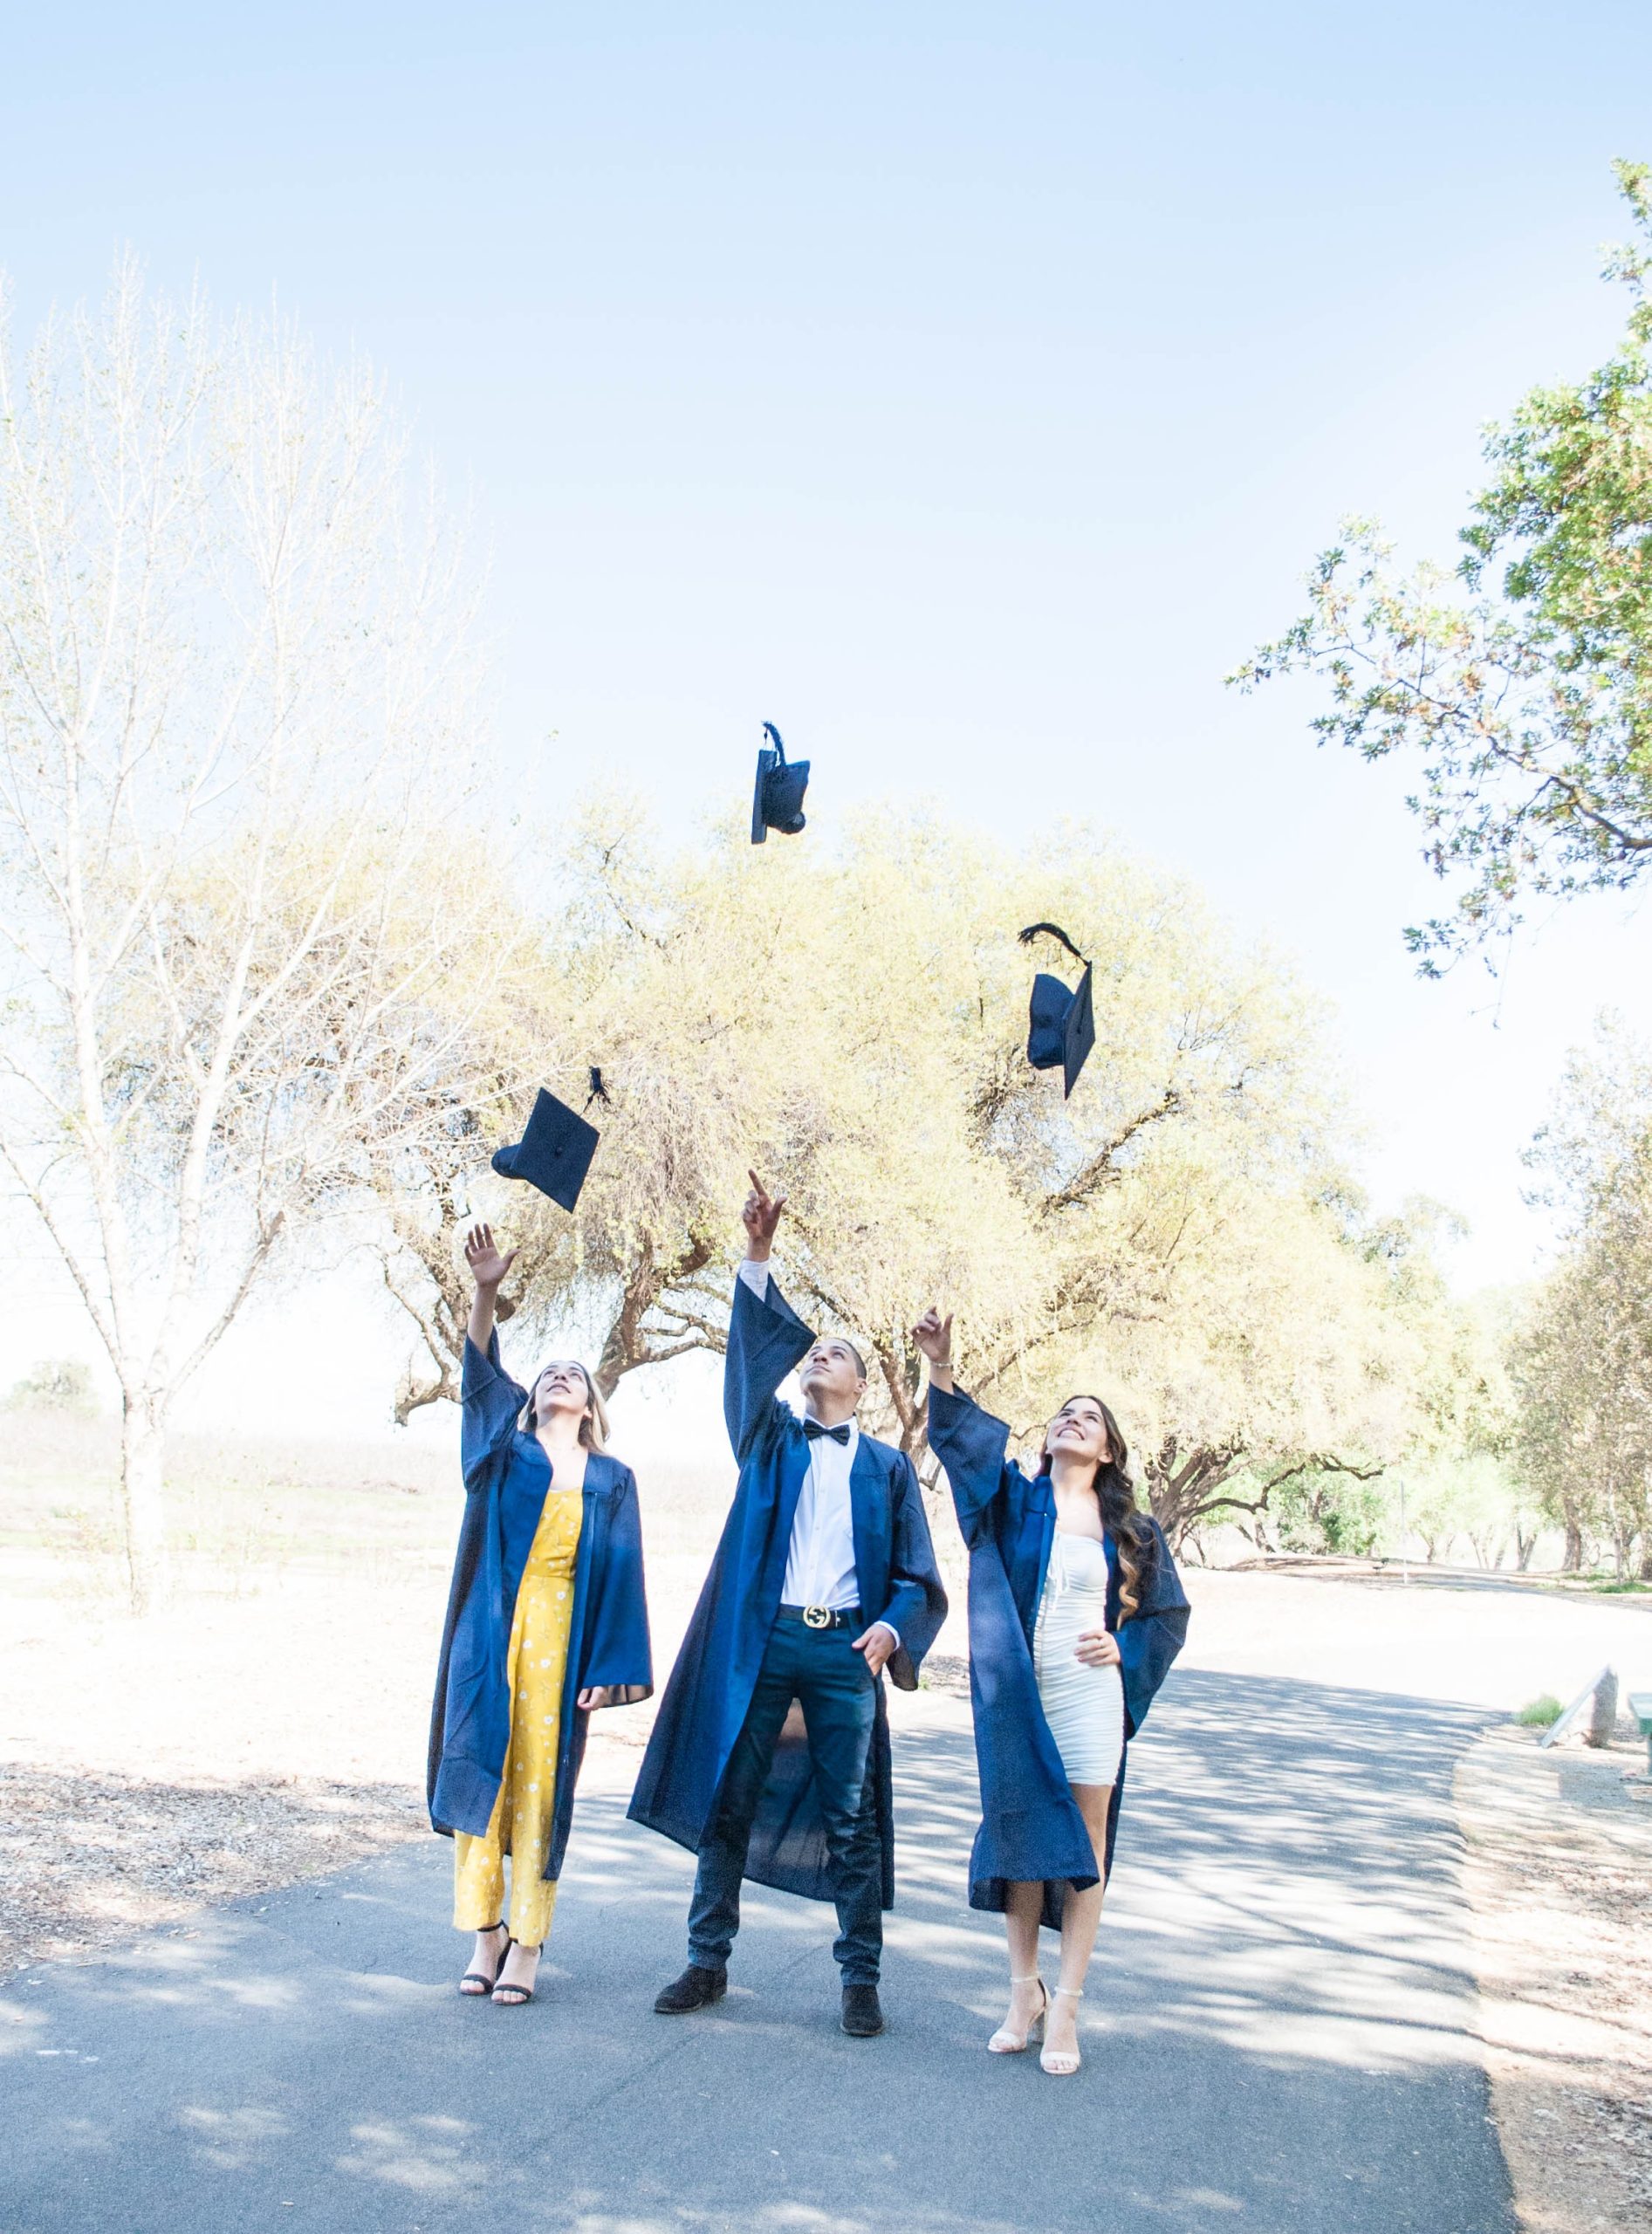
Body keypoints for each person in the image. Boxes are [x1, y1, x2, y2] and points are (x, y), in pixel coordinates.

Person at [628, 1175, 948, 2038]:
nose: (818, 1358)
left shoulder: (884, 1466)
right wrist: (757, 1255)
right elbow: (745, 1367)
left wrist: (892, 1625)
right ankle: (706, 1959)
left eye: (834, 1354)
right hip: (766, 1642)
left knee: (850, 1815)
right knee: (730, 1794)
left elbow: (919, 1576)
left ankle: (859, 1978)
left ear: (859, 1386)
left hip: (846, 1654)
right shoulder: (771, 1440)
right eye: (813, 1353)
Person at [913, 1306, 1189, 2076]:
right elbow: (962, 1452)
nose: (1073, 1421)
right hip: (1018, 1689)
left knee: (1086, 1842)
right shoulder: (1013, 1500)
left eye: (1089, 1417)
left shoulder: (1132, 1530)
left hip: (1090, 1691)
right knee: (1020, 1832)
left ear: (1107, 1449)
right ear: (1047, 1441)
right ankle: (1020, 1991)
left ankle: (1066, 2002)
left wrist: (1121, 1645)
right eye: (1064, 1414)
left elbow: (1167, 1614)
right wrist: (941, 1367)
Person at [427, 1223, 653, 2006]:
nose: (560, 1378)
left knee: (541, 1786)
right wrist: (485, 1291)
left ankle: (528, 1943)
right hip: (491, 1633)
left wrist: (610, 1669)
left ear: (590, 1404)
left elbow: (623, 1576)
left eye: (574, 1375)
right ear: (532, 1396)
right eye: (548, 1371)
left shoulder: (612, 1478)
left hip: (563, 1638)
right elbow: (478, 1378)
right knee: (480, 1774)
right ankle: (485, 1933)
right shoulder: (502, 1455)